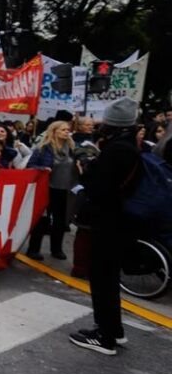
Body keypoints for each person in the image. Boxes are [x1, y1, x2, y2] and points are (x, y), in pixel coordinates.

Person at [69, 98, 141, 355]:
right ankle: (114, 329)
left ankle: (105, 336)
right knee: (108, 277)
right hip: (119, 221)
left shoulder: (118, 150)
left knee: (101, 277)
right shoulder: (130, 144)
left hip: (109, 222)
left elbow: (100, 188)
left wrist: (86, 169)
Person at [25, 120, 79, 261]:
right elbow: (31, 165)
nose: (66, 132)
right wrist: (43, 169)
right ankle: (33, 249)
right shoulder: (44, 148)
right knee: (42, 220)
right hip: (47, 187)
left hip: (64, 189)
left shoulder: (72, 148)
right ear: (54, 132)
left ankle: (57, 249)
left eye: (68, 130)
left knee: (60, 221)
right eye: (63, 130)